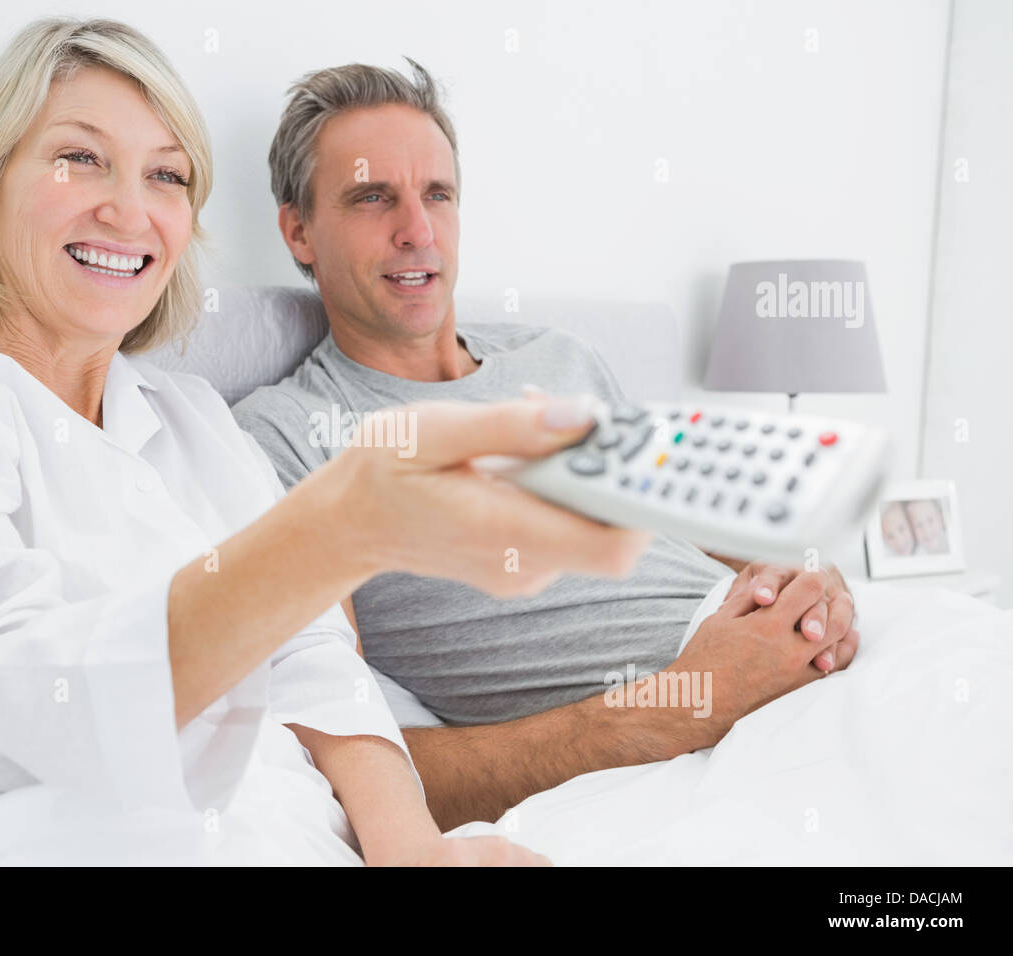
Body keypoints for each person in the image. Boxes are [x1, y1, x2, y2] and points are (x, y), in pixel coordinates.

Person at [0, 19, 650, 866]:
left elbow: (316, 666)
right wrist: (331, 533)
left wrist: (415, 851)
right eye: (80, 159)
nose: (129, 213)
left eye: (166, 177)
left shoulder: (195, 421)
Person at [233, 59, 859, 831]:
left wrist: (811, 579)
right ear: (298, 229)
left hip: (823, 662)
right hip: (689, 750)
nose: (417, 231)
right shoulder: (285, 438)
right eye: (372, 197)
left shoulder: (559, 357)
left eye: (438, 194)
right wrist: (685, 706)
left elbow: (720, 535)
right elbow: (348, 756)